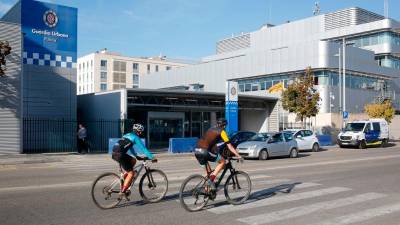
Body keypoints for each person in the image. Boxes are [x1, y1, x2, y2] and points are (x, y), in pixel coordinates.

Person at [194, 118, 242, 190]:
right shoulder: (222, 132)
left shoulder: (210, 129)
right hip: (205, 151)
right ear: (224, 126)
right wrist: (238, 155)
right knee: (222, 162)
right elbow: (230, 146)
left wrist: (217, 152)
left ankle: (207, 192)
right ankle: (211, 180)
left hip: (197, 151)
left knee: (209, 173)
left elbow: (211, 143)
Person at [111, 123, 155, 195]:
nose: (141, 133)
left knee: (133, 160)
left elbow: (130, 147)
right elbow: (143, 149)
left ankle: (126, 177)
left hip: (114, 153)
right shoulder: (135, 137)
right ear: (139, 131)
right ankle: (123, 191)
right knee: (131, 173)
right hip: (120, 154)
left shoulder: (127, 135)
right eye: (141, 131)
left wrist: (136, 156)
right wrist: (152, 157)